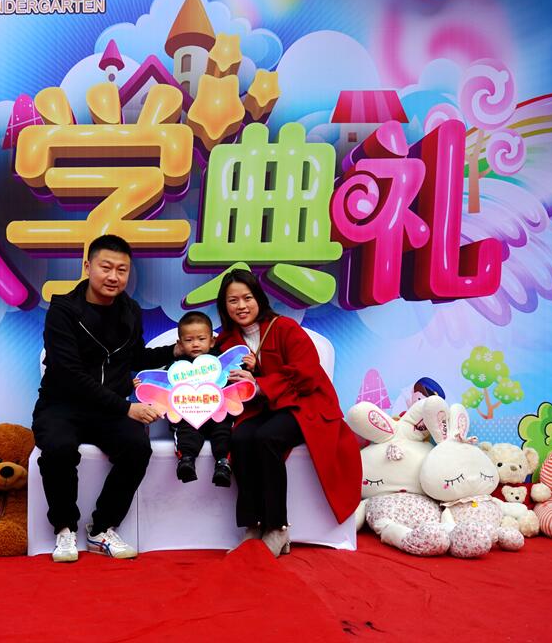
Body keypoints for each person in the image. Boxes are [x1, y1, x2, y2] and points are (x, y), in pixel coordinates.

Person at [33, 235, 179, 562]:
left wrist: (176, 351)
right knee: (58, 448)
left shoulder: (130, 310)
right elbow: (70, 375)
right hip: (62, 405)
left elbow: (134, 357)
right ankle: (64, 528)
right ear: (88, 267)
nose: (114, 276)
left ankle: (101, 528)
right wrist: (127, 408)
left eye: (122, 270)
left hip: (108, 410)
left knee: (137, 448)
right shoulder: (63, 310)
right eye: (106, 267)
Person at [215, 269, 361, 557]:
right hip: (263, 408)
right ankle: (252, 526)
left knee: (267, 438)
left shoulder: (284, 328)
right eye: (233, 300)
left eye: (247, 298)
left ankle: (277, 528)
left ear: (259, 299)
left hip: (305, 404)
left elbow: (307, 372)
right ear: (224, 306)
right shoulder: (226, 342)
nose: (241, 306)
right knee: (241, 439)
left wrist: (260, 382)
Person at [135, 311, 233, 486]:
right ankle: (186, 461)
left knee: (223, 431)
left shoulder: (221, 362)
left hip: (217, 414)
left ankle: (223, 464)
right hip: (188, 414)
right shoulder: (175, 366)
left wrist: (249, 366)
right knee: (186, 431)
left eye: (201, 339)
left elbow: (235, 380)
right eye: (189, 340)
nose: (195, 344)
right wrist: (143, 386)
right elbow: (162, 388)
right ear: (179, 343)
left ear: (212, 341)